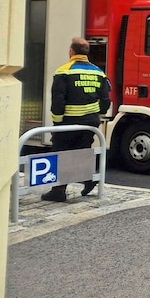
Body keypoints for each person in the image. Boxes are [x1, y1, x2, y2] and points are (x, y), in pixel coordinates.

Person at [41, 38, 111, 202]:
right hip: (91, 123)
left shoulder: (64, 71)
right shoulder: (98, 72)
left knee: (61, 153)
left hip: (68, 122)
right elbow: (105, 100)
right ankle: (90, 179)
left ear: (71, 51)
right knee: (82, 150)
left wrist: (57, 124)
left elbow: (58, 101)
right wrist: (97, 115)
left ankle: (58, 191)